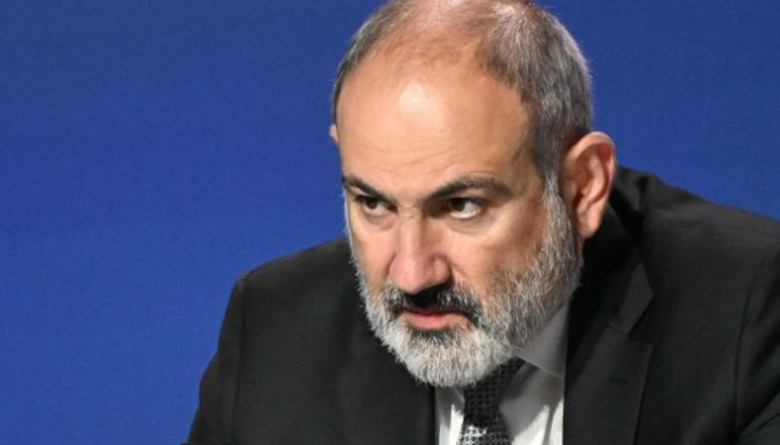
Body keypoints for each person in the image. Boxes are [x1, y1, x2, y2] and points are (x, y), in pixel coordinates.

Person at [184, 1, 780, 444]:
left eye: (461, 206)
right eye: (373, 203)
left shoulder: (747, 312)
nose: (413, 275)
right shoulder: (274, 332)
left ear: (582, 186)